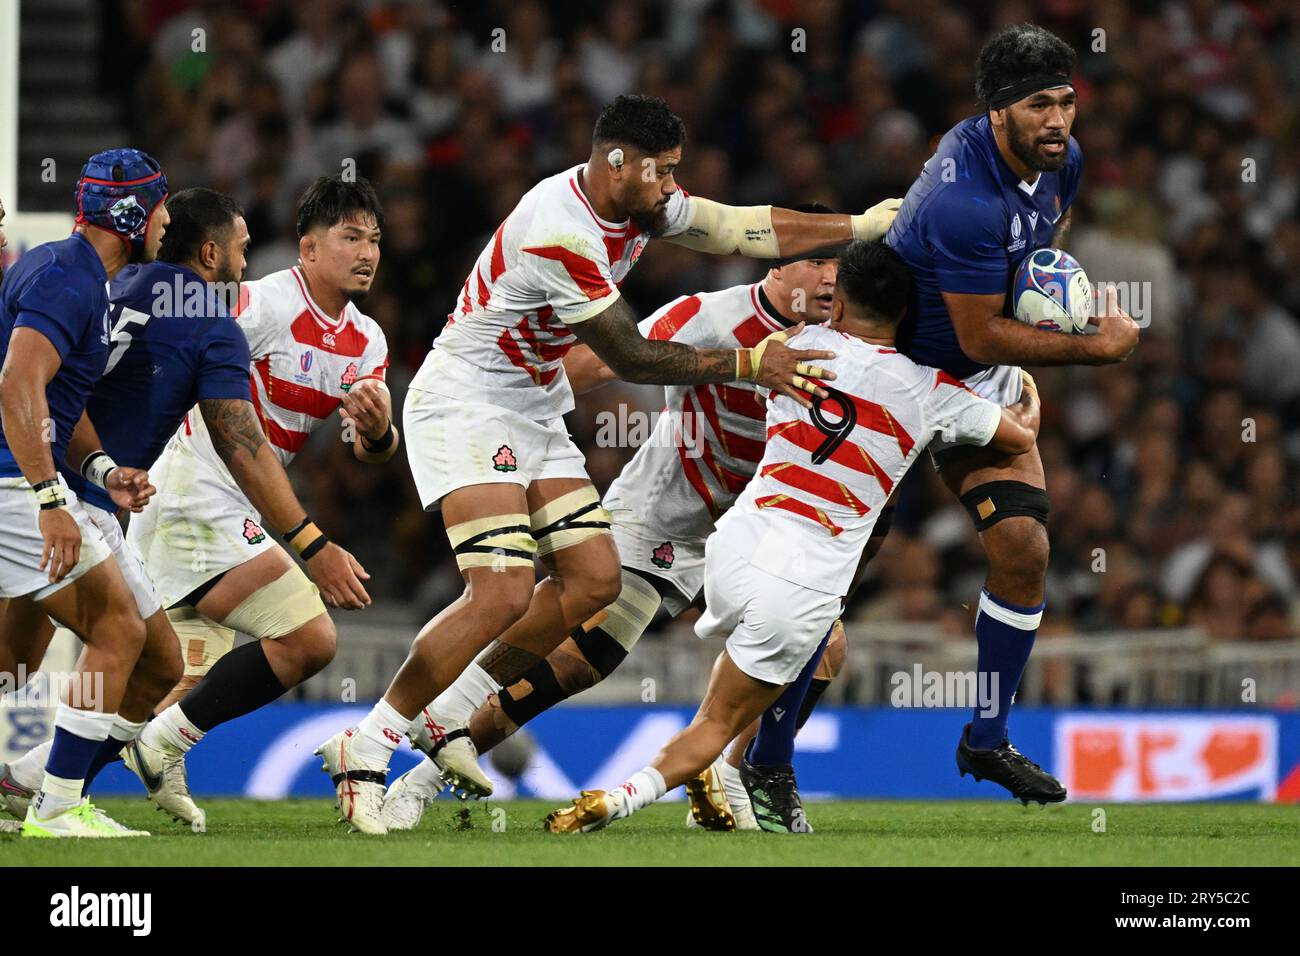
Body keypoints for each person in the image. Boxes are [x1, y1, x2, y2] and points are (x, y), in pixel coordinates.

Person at [315, 94, 901, 834]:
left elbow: (736, 223)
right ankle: (388, 753)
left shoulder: (657, 213)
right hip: (486, 405)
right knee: (533, 622)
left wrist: (865, 225)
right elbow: (623, 356)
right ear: (614, 162)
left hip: (570, 428)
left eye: (675, 173)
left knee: (622, 589)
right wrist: (750, 363)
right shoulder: (571, 236)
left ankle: (737, 773)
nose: (668, 188)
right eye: (660, 172)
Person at [544, 239, 1041, 833]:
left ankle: (733, 777)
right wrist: (1027, 413)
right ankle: (621, 798)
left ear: (836, 308)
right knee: (718, 721)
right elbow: (1013, 438)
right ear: (906, 316)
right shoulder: (932, 390)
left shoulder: (788, 349)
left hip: (733, 548)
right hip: (802, 579)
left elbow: (718, 369)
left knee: (809, 651)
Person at [883, 23, 1138, 803]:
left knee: (1025, 547)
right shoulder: (963, 199)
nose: (1057, 121)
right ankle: (771, 752)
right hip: (894, 380)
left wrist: (1022, 354)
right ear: (997, 114)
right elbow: (974, 328)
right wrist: (1093, 348)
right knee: (838, 575)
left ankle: (986, 740)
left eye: (1065, 102)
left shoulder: (1065, 165)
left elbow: (1023, 268)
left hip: (977, 379)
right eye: (1038, 107)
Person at [119, 176, 395, 826]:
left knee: (172, 688)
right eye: (350, 236)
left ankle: (42, 784)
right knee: (309, 638)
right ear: (307, 248)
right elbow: (179, 361)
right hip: (193, 490)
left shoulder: (368, 341)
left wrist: (380, 430)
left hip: (229, 507)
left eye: (375, 239)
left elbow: (369, 454)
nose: (367, 252)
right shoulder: (262, 304)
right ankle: (155, 747)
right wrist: (311, 545)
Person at [0, 149, 168, 837]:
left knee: (153, 655)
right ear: (130, 213)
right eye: (158, 204)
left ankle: (33, 787)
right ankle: (58, 803)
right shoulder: (69, 282)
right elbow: (18, 384)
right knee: (117, 630)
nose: (165, 218)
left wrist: (99, 471)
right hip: (14, 487)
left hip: (23, 480)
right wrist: (47, 499)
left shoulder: (66, 272)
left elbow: (57, 400)